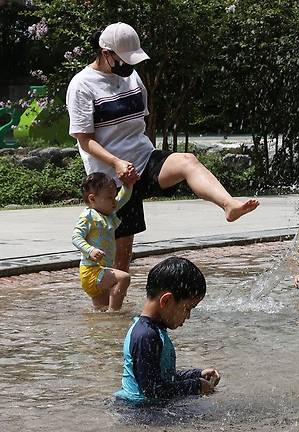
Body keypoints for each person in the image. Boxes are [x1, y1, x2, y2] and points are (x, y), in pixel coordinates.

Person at [66, 22, 259, 280]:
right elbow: (84, 139)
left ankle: (228, 205)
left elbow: (140, 124)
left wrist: (145, 157)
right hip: (112, 178)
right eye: (124, 59)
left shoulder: (131, 77)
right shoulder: (82, 85)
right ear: (105, 52)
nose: (129, 65)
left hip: (144, 160)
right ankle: (107, 316)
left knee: (187, 160)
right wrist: (116, 163)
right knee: (120, 256)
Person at [114, 256, 220, 405]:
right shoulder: (145, 335)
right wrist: (195, 386)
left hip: (148, 408)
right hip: (138, 413)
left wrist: (197, 375)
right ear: (166, 300)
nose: (188, 316)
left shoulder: (154, 330)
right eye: (187, 308)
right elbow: (153, 390)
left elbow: (163, 378)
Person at [72, 172, 132, 311]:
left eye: (114, 196)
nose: (114, 201)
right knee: (123, 278)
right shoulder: (89, 216)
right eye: (110, 197)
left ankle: (105, 328)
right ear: (93, 199)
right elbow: (76, 237)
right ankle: (115, 315)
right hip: (92, 270)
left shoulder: (107, 212)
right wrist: (90, 250)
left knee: (101, 311)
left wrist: (128, 185)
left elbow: (123, 198)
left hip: (101, 271)